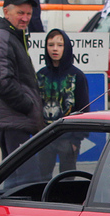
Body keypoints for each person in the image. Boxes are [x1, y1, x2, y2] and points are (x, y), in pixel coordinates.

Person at [0, 0, 44, 158]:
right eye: (20, 13)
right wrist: (27, 105)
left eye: (28, 14)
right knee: (24, 177)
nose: (25, 18)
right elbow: (2, 81)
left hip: (18, 121)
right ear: (6, 12)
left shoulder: (14, 35)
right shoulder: (1, 37)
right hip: (14, 122)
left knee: (18, 178)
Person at [36, 29, 91, 170]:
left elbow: (84, 109)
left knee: (67, 179)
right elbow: (35, 106)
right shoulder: (41, 75)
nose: (55, 49)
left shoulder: (77, 76)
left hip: (68, 137)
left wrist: (76, 139)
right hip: (44, 138)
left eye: (60, 45)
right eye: (51, 45)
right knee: (41, 176)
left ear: (67, 47)